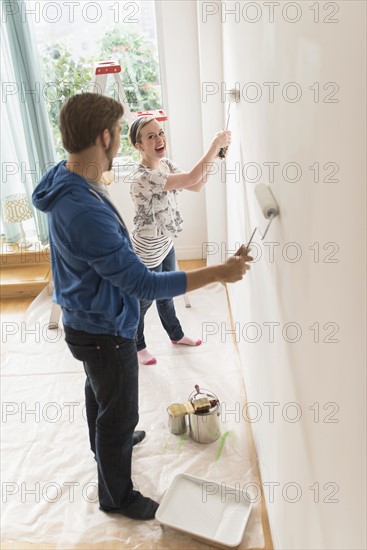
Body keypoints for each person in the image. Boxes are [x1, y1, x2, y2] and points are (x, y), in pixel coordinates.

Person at [32, 93, 252, 521]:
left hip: (85, 318)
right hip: (102, 329)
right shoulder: (84, 211)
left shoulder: (65, 174)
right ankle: (116, 496)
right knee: (118, 406)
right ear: (107, 136)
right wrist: (218, 274)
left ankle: (106, 441)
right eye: (124, 133)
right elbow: (141, 282)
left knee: (100, 390)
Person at [128, 116, 231, 365]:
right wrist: (214, 146)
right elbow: (190, 179)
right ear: (139, 146)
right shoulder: (143, 176)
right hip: (148, 250)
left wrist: (216, 158)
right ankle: (136, 344)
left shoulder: (165, 165)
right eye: (150, 136)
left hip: (165, 243)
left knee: (168, 294)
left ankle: (176, 335)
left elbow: (196, 184)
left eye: (160, 133)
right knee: (143, 303)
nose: (159, 139)